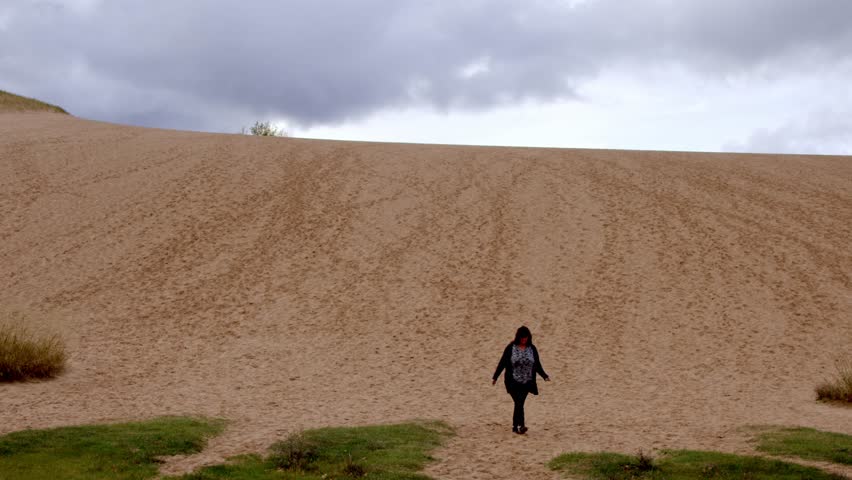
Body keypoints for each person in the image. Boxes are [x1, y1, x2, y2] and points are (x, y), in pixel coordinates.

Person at [492, 326, 550, 434]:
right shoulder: (511, 348)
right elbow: (503, 362)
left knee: (519, 403)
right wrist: (495, 377)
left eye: (526, 338)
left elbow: (537, 364)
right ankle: (520, 426)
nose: (524, 340)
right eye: (522, 338)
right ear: (518, 337)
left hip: (527, 382)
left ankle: (515, 427)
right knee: (519, 402)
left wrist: (544, 375)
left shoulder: (532, 348)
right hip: (512, 381)